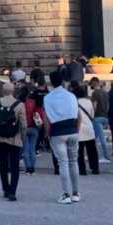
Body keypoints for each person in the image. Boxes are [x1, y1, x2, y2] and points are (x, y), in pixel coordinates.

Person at [44, 71, 81, 204]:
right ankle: (76, 192)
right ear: (63, 81)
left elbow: (47, 119)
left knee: (63, 163)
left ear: (51, 82)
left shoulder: (48, 98)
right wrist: (77, 129)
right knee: (73, 161)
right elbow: (78, 114)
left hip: (57, 131)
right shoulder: (71, 96)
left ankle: (66, 194)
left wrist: (47, 133)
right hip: (72, 129)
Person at [0, 83, 26, 201]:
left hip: (0, 138)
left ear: (3, 91)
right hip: (15, 138)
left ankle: (5, 188)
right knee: (14, 166)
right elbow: (23, 124)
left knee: (3, 164)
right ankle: (12, 191)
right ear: (13, 91)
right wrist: (23, 137)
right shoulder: (19, 105)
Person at [71, 82, 99, 176]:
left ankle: (82, 169)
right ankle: (95, 168)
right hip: (89, 128)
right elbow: (92, 115)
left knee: (80, 151)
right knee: (92, 150)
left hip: (79, 129)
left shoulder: (74, 102)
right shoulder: (89, 102)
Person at [24, 84, 46, 174]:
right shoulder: (39, 105)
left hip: (25, 127)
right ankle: (32, 167)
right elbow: (42, 117)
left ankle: (27, 167)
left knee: (26, 148)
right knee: (32, 148)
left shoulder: (25, 102)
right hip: (35, 128)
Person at [88, 77, 110, 163]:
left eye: (91, 84)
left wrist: (92, 116)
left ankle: (106, 156)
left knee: (100, 138)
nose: (91, 86)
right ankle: (92, 154)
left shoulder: (95, 93)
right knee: (95, 137)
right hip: (105, 116)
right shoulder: (105, 92)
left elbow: (94, 105)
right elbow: (108, 105)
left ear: (94, 83)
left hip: (97, 117)